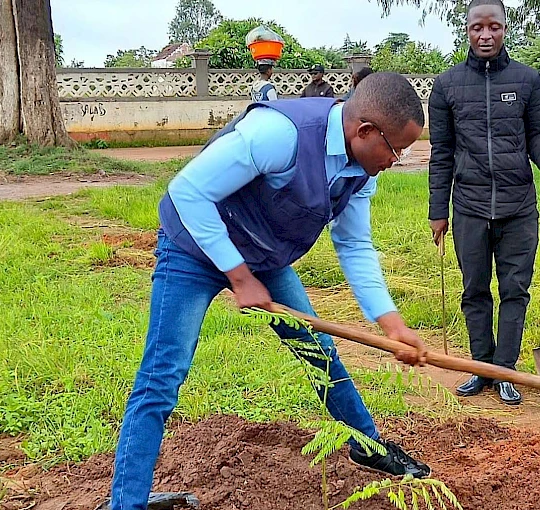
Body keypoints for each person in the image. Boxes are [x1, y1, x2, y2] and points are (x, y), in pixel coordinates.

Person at [108, 72, 431, 510]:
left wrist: (391, 324)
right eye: (396, 149)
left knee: (319, 350)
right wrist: (240, 278)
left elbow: (353, 243)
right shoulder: (279, 133)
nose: (398, 160)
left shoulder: (362, 167)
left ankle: (366, 445)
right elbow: (187, 191)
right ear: (366, 131)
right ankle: (127, 503)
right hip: (194, 249)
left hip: (265, 256)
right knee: (161, 378)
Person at [428, 0, 540, 405]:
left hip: (518, 205)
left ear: (505, 28)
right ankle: (480, 367)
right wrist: (439, 210)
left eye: (494, 27)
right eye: (477, 28)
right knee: (474, 289)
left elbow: (538, 134)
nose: (485, 35)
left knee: (514, 289)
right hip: (469, 205)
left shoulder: (525, 80)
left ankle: (505, 370)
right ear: (466, 30)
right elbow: (441, 153)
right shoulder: (447, 85)